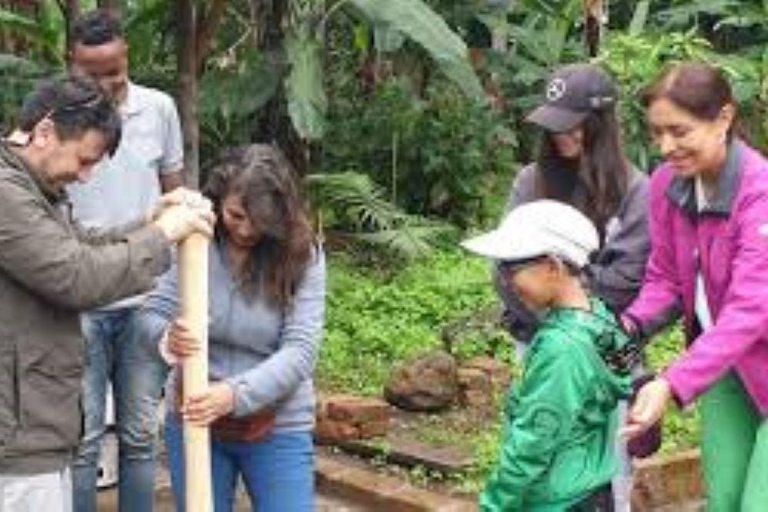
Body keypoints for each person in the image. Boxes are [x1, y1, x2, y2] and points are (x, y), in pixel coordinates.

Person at [0, 75, 212, 512]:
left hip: (36, 423)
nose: (85, 175)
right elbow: (77, 275)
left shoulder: (34, 190)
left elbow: (82, 247)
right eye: (83, 160)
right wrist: (160, 236)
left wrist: (149, 221)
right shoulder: (5, 193)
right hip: (16, 435)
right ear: (44, 132)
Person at [497, 63, 650, 510]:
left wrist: (567, 308)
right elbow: (506, 270)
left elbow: (626, 282)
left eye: (574, 126)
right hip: (535, 342)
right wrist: (563, 309)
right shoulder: (532, 181)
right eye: (554, 126)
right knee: (534, 447)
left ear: (601, 124)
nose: (561, 136)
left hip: (605, 349)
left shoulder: (634, 189)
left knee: (606, 468)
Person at [139, 144, 326, 512]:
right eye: (236, 215)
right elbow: (149, 315)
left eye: (261, 221)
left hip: (278, 423)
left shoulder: (303, 254)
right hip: (194, 419)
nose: (246, 229)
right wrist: (166, 337)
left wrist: (234, 395)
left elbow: (300, 351)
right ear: (219, 199)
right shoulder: (193, 240)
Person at [621, 62, 768, 511]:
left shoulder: (759, 193)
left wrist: (671, 382)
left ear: (723, 119)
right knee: (723, 500)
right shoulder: (668, 184)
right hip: (728, 366)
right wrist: (626, 326)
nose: (666, 147)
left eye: (679, 131)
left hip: (746, 343)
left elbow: (749, 309)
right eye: (657, 132)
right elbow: (665, 278)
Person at [64, 9, 186, 512]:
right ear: (71, 65)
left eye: (113, 71)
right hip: (81, 298)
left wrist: (177, 288)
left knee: (139, 436)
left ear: (127, 57)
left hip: (147, 300)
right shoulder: (54, 122)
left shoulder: (159, 109)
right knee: (83, 439)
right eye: (91, 74)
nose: (106, 84)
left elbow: (173, 194)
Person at [463, 200, 635, 511]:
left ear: (553, 266)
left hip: (557, 501)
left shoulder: (561, 349)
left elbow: (533, 441)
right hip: (592, 490)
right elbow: (627, 372)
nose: (505, 280)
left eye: (511, 268)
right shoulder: (599, 317)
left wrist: (493, 505)